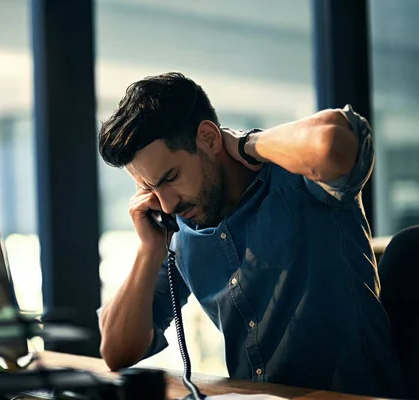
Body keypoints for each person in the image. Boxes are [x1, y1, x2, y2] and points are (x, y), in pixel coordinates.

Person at [96, 72, 406, 398]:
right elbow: (117, 352)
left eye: (170, 177)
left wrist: (248, 144)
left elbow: (332, 144)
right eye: (150, 187)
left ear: (209, 138)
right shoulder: (180, 228)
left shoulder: (299, 180)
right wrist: (149, 250)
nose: (167, 204)